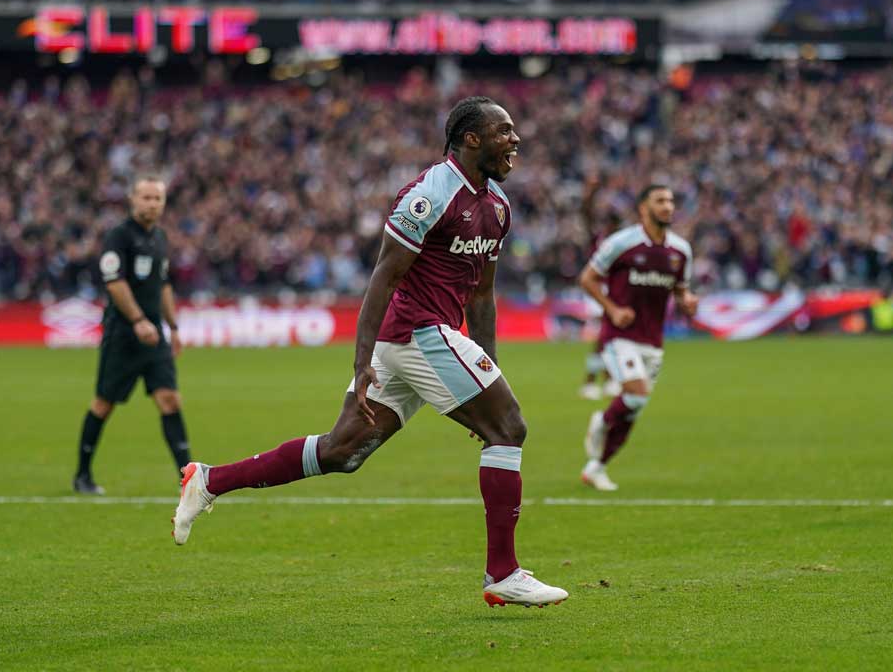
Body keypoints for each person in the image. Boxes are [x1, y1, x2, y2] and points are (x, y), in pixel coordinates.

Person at [170, 97, 569, 608]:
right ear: (472, 138)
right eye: (504, 131)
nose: (515, 140)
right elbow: (384, 275)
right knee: (509, 429)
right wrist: (360, 365)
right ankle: (503, 572)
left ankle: (208, 480)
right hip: (414, 332)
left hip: (428, 337)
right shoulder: (430, 193)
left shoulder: (497, 205)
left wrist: (487, 367)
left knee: (342, 451)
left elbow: (482, 293)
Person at [74, 173, 189, 494]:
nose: (152, 203)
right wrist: (138, 320)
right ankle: (82, 475)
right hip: (124, 334)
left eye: (157, 198)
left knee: (169, 399)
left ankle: (189, 478)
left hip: (155, 337)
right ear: (132, 200)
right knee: (103, 403)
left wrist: (174, 327)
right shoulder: (118, 237)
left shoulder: (160, 238)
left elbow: (163, 285)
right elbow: (115, 283)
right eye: (146, 197)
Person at [577, 185, 698, 491]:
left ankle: (597, 467)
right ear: (643, 208)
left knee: (635, 406)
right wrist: (613, 310)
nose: (668, 206)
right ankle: (602, 422)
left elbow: (680, 289)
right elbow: (587, 278)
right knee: (635, 394)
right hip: (620, 336)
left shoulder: (680, 251)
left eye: (671, 200)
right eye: (660, 201)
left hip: (653, 341)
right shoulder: (621, 243)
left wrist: (687, 301)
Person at [577, 178, 622, 401]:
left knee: (609, 338)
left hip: (612, 292)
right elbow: (585, 215)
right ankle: (591, 381)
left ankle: (608, 379)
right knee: (605, 337)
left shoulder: (619, 243)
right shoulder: (602, 240)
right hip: (599, 292)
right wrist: (590, 193)